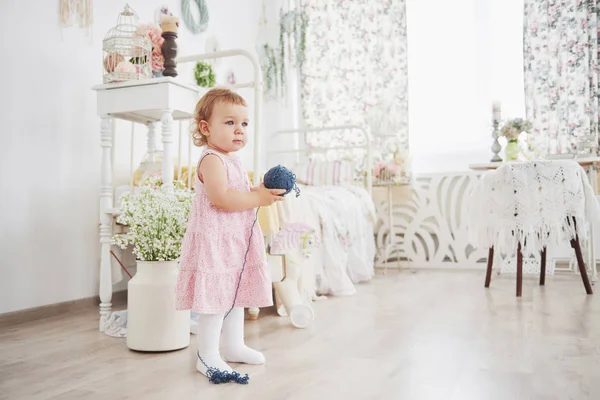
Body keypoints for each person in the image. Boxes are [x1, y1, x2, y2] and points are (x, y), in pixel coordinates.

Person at [175, 88, 285, 378]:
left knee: (235, 294)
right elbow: (221, 197)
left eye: (244, 124)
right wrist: (257, 199)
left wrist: (260, 192)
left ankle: (235, 345)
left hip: (234, 240)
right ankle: (207, 354)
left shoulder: (233, 159)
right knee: (215, 300)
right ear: (205, 127)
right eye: (230, 122)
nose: (239, 130)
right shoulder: (212, 159)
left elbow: (238, 193)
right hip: (215, 241)